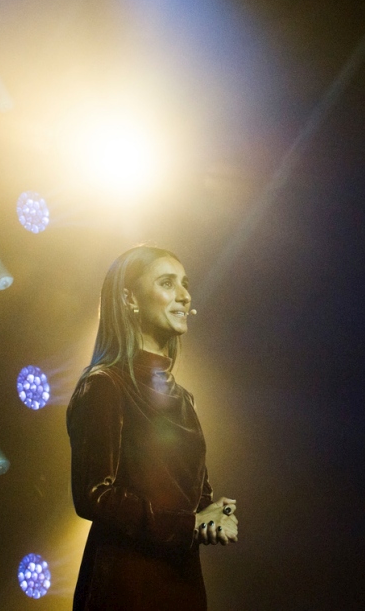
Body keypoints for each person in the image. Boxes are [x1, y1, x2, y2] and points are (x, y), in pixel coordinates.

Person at [66, 245, 238, 610]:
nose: (184, 294)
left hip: (183, 585)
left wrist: (215, 515)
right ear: (130, 298)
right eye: (167, 282)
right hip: (126, 588)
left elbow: (194, 495)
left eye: (185, 284)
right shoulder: (105, 386)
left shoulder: (184, 399)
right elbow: (94, 495)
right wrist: (189, 525)